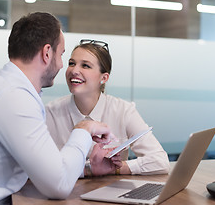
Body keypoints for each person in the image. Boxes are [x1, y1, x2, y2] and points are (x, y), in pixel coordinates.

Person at [0, 13, 119, 205]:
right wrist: (84, 129)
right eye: (62, 55)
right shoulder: (13, 96)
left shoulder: (10, 88)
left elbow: (44, 168)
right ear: (47, 53)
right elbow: (58, 185)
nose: (63, 65)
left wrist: (89, 169)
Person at [46, 39, 170, 176]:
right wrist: (91, 169)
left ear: (104, 78)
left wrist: (118, 167)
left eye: (85, 66)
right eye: (71, 63)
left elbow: (160, 161)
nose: (74, 70)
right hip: (64, 195)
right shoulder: (50, 112)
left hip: (113, 191)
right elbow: (40, 168)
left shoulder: (123, 110)